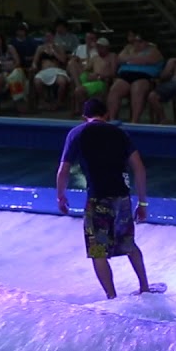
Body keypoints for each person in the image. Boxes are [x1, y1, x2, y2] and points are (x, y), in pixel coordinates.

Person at [56, 98, 155, 300]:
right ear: (107, 115)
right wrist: (143, 203)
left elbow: (63, 169)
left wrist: (61, 196)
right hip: (122, 197)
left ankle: (112, 297)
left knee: (98, 250)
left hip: (97, 199)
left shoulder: (78, 133)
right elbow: (139, 169)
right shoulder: (119, 133)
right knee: (129, 244)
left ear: (85, 117)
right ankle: (145, 287)